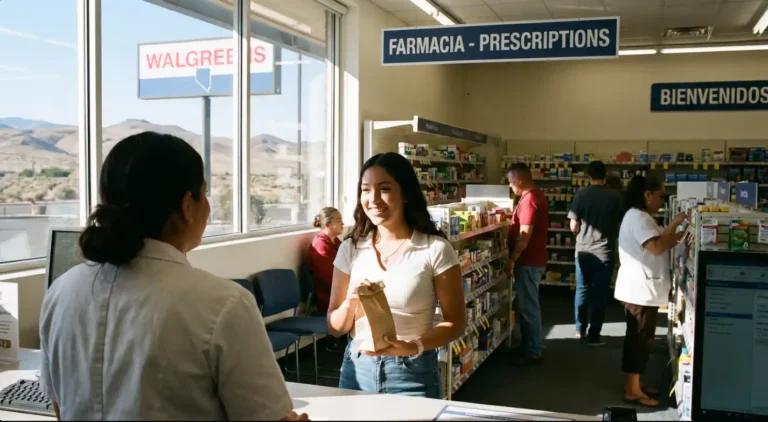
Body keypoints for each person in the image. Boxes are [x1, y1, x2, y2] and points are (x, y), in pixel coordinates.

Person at [38, 132, 307, 421]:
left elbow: (60, 408)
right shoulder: (223, 305)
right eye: (204, 193)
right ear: (187, 206)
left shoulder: (60, 293)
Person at [326, 152, 466, 399]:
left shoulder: (434, 249)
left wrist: (414, 346)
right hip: (356, 370)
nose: (373, 199)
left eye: (385, 189)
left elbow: (456, 322)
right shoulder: (350, 248)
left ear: (406, 193)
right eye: (366, 190)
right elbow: (335, 328)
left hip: (412, 373)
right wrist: (350, 301)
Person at [614, 174, 686, 408]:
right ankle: (632, 390)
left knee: (642, 339)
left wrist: (675, 230)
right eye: (660, 196)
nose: (662, 201)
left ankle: (636, 383)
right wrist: (674, 233)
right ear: (647, 195)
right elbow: (655, 247)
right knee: (639, 340)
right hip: (639, 290)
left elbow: (659, 238)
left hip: (642, 289)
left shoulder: (642, 216)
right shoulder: (638, 217)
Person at [568, 161, 622, 346]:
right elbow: (621, 224)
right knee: (600, 295)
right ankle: (594, 335)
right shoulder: (615, 196)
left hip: (583, 251)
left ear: (588, 177)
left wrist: (580, 236)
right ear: (605, 176)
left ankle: (579, 329)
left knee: (582, 290)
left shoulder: (581, 195)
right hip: (605, 253)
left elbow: (573, 225)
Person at [505, 163, 549, 366]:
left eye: (511, 182)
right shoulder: (533, 195)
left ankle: (533, 351)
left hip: (529, 262)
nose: (510, 186)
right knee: (525, 305)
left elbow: (524, 236)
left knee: (529, 307)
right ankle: (527, 346)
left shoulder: (530, 199)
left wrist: (512, 259)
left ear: (520, 180)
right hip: (532, 261)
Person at [307, 207, 344, 314]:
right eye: (339, 221)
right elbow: (331, 280)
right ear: (328, 225)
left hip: (342, 291)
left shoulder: (335, 241)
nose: (343, 223)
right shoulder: (321, 246)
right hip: (331, 299)